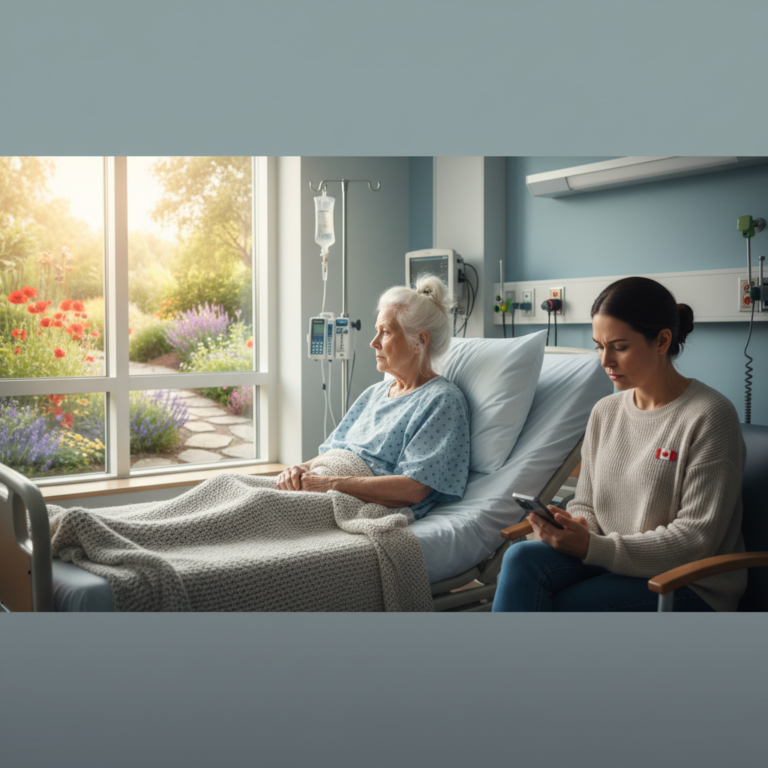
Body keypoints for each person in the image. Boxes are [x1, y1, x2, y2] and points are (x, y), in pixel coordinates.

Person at [493, 276, 747, 612]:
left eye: (619, 346)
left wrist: (594, 548)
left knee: (565, 604)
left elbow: (695, 541)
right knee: (522, 557)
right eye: (599, 345)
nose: (604, 361)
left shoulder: (709, 416)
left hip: (687, 581)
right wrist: (578, 528)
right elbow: (585, 502)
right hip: (612, 560)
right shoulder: (606, 411)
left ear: (662, 341)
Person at [275, 275, 471, 519]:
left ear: (419, 341)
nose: (373, 342)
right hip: (320, 484)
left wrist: (329, 484)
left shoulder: (441, 400)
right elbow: (334, 449)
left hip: (350, 501)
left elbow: (415, 488)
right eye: (376, 331)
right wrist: (300, 468)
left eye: (385, 332)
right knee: (228, 484)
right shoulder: (375, 393)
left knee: (253, 506)